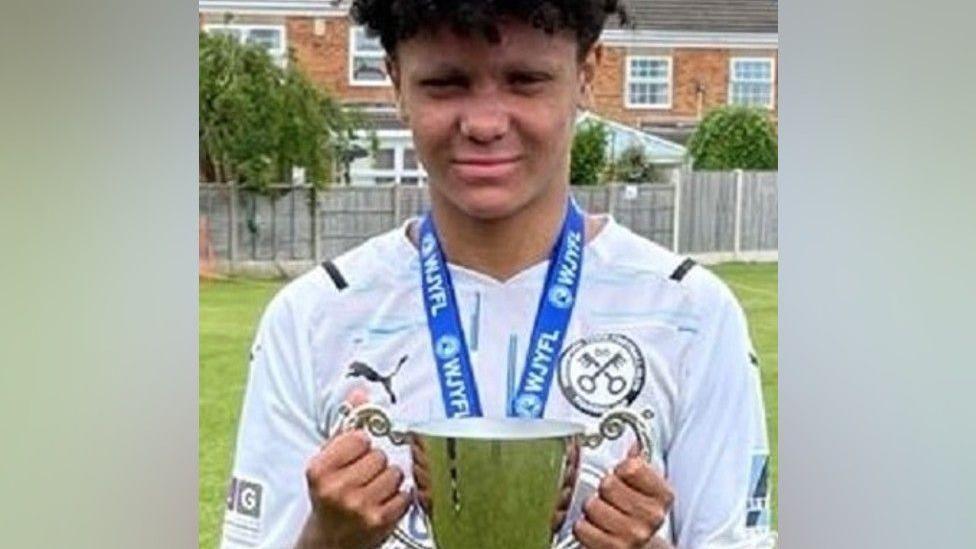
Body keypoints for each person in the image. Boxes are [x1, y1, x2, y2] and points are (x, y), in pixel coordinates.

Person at [219, 1, 775, 548]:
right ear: (395, 81)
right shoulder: (312, 318)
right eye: (445, 83)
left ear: (586, 74)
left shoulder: (691, 315)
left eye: (525, 80)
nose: (484, 123)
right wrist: (327, 543)